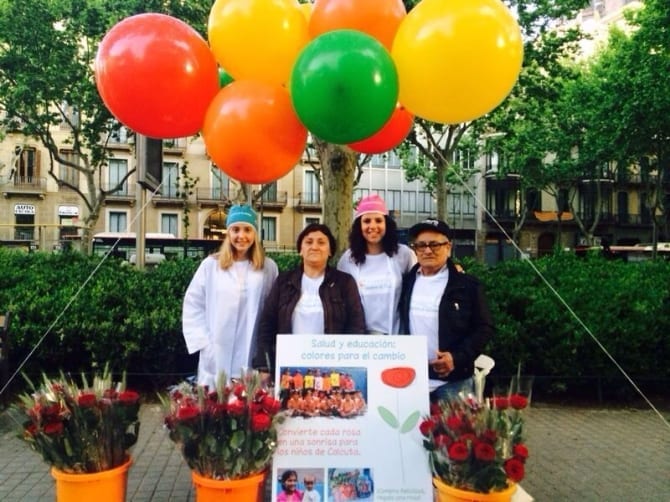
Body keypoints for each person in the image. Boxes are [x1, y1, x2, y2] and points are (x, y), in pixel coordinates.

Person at [398, 218, 494, 402]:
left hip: (453, 383)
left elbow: (485, 327)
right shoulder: (406, 282)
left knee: (454, 431)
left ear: (448, 247)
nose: (427, 250)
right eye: (421, 245)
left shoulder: (467, 285)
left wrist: (456, 357)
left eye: (435, 245)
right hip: (413, 380)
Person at [182, 204, 278, 387]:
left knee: (249, 407)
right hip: (216, 351)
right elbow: (193, 304)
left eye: (247, 229)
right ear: (228, 233)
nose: (241, 236)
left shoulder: (268, 268)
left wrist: (266, 353)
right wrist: (205, 343)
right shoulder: (210, 266)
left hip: (252, 351)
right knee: (216, 406)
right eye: (235, 229)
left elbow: (272, 311)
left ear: (255, 233)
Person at [253, 223, 366, 373]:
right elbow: (267, 324)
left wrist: (347, 365)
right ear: (300, 250)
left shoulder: (344, 283)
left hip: (331, 368)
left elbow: (356, 326)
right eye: (308, 242)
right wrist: (264, 367)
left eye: (321, 242)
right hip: (289, 367)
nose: (314, 246)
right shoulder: (283, 282)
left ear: (330, 250)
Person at [337, 194, 416, 334]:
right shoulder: (347, 260)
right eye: (366, 221)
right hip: (361, 342)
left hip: (397, 339)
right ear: (359, 226)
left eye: (378, 220)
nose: (372, 226)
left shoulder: (404, 254)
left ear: (386, 224)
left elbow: (420, 283)